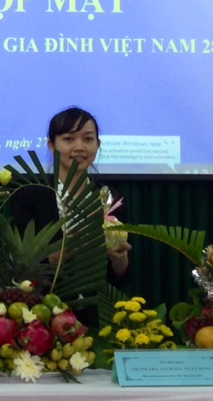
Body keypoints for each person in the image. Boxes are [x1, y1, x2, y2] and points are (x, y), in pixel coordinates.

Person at [9, 106, 131, 286]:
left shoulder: (110, 198)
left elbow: (120, 280)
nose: (79, 147)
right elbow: (21, 267)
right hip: (45, 300)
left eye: (88, 139)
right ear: (52, 146)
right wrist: (65, 251)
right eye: (69, 139)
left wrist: (120, 261)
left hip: (97, 300)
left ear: (98, 145)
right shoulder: (30, 196)